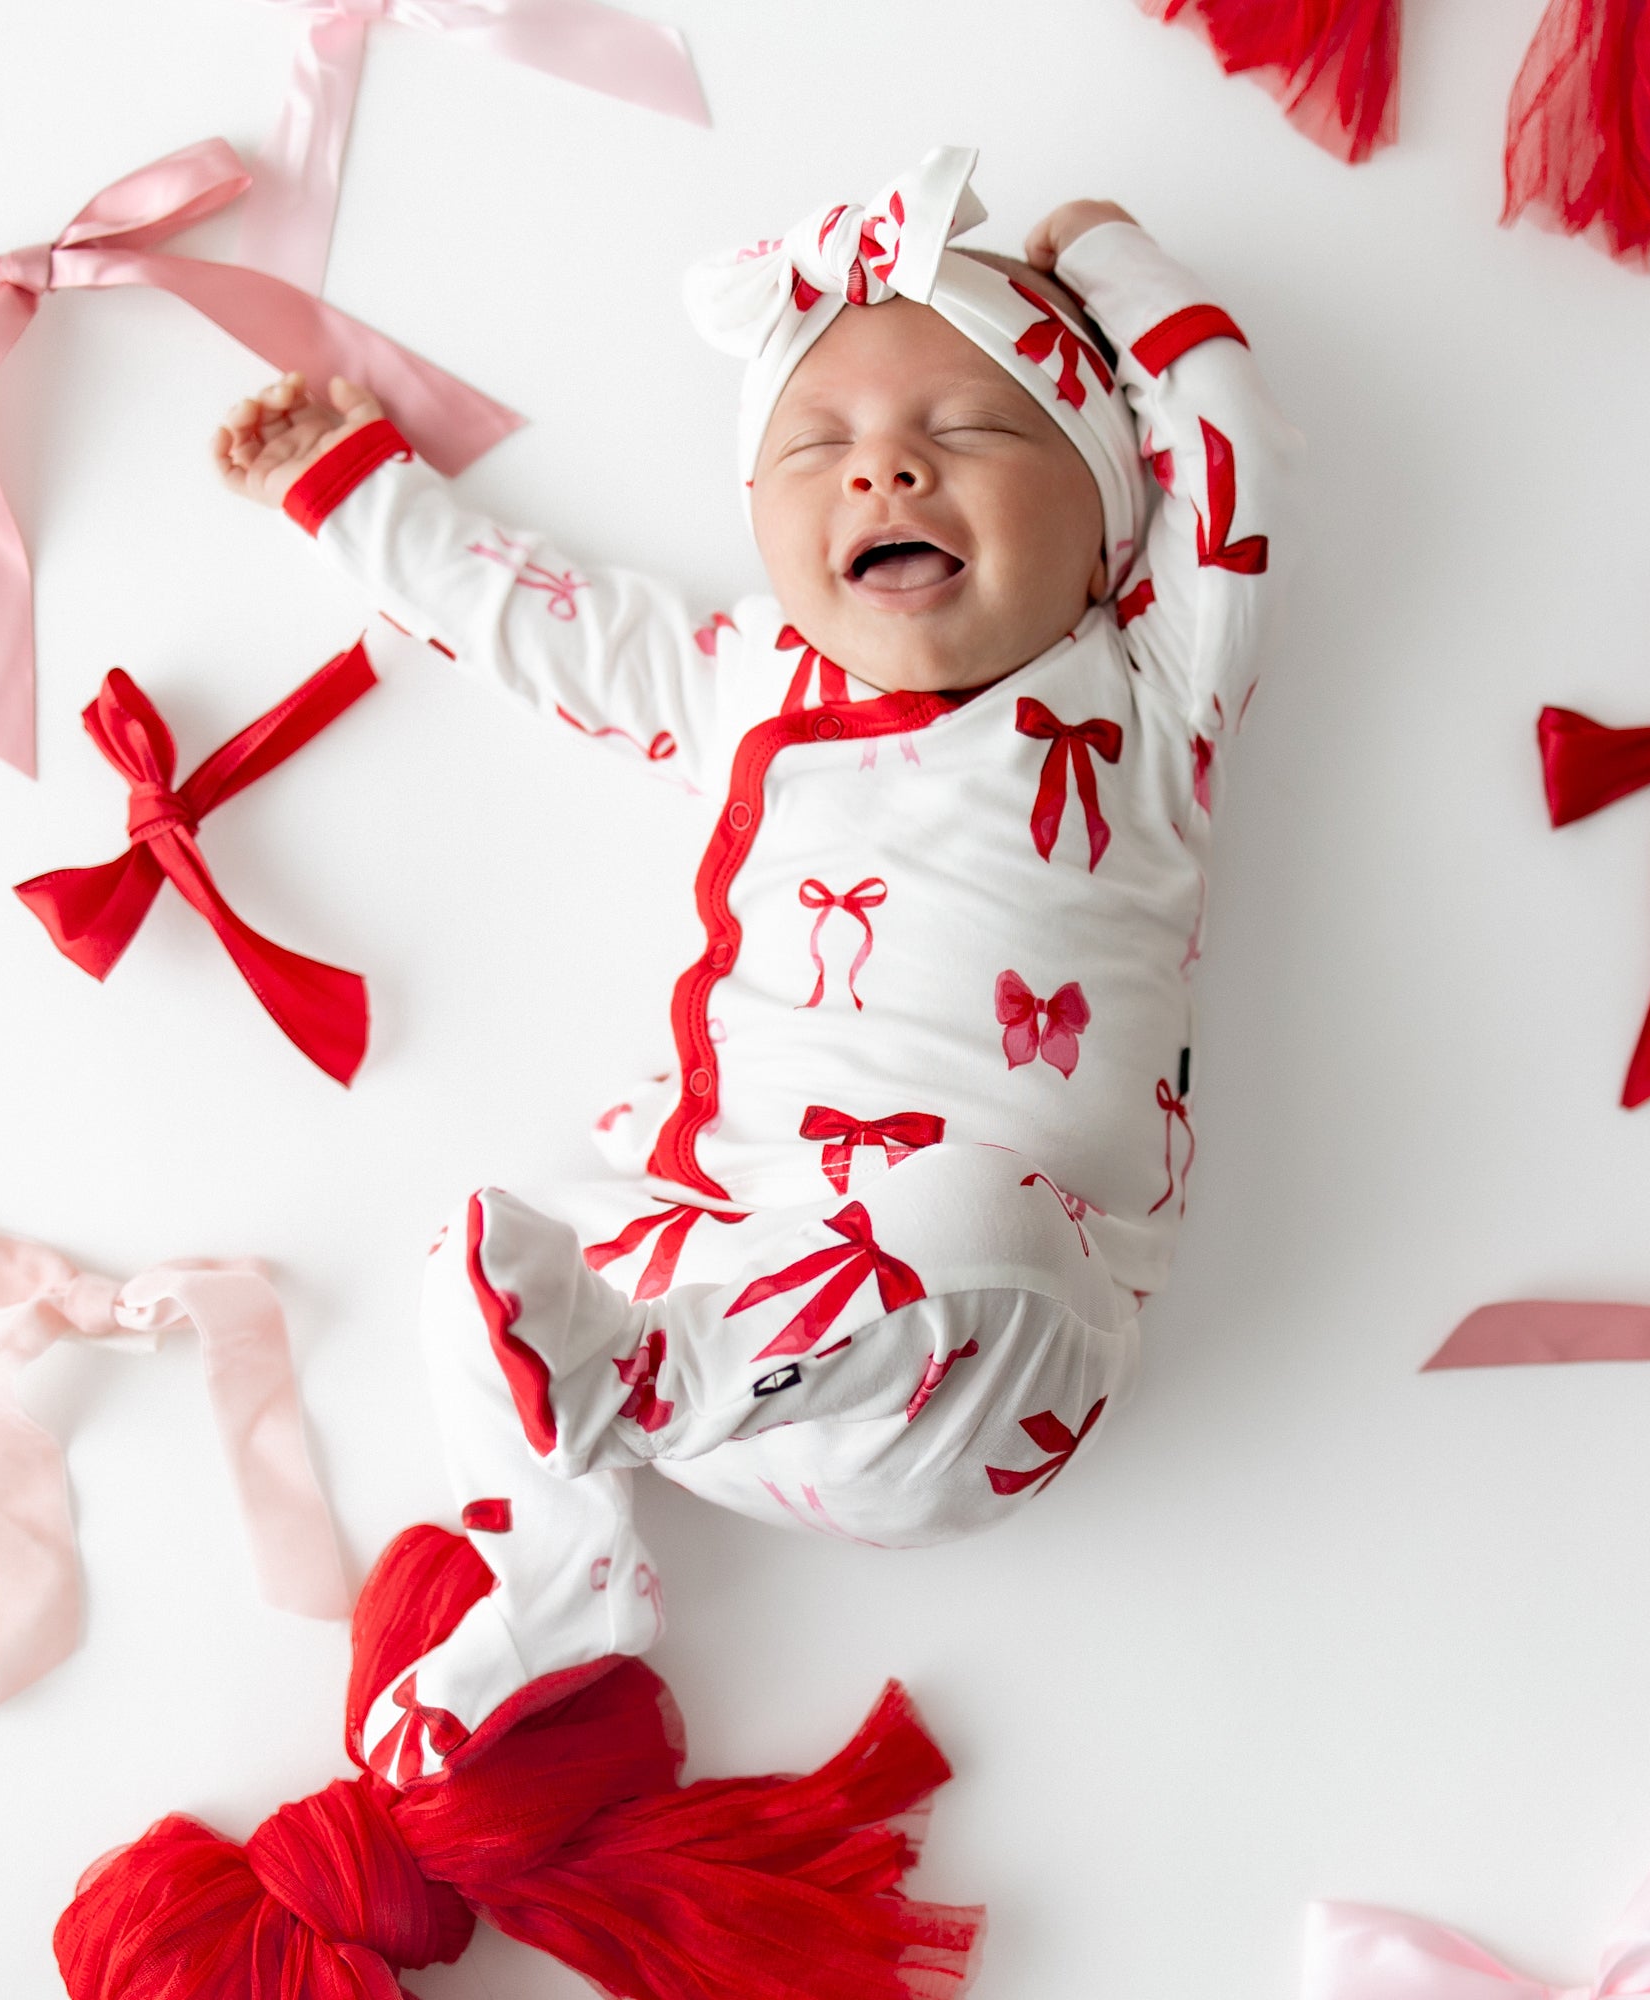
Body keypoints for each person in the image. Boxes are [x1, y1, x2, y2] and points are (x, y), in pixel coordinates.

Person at [215, 146, 1293, 1779]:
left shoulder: (1150, 690)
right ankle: (563, 1557)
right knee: (501, 1235)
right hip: (740, 1302)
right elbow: (545, 627)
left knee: (966, 1211)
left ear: (1103, 538)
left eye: (971, 432)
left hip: (989, 1358)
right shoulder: (746, 678)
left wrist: (1116, 270)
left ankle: (637, 1384)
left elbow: (1229, 449)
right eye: (824, 449)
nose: (886, 476)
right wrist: (361, 498)